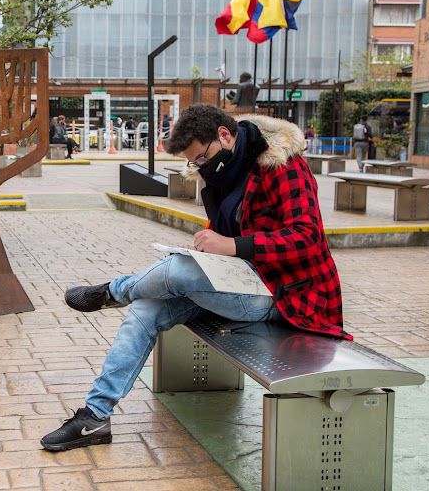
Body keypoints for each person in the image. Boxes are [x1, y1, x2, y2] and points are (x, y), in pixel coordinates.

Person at [40, 105, 349, 452]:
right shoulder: (219, 175)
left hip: (282, 295)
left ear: (224, 135)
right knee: (145, 309)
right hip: (236, 283)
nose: (199, 168)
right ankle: (95, 417)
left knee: (177, 271)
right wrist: (209, 248)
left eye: (201, 158)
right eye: (194, 163)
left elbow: (307, 237)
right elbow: (227, 230)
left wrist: (231, 245)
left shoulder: (282, 167)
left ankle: (113, 291)